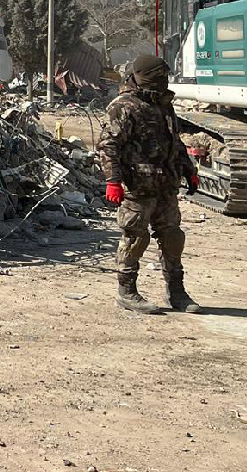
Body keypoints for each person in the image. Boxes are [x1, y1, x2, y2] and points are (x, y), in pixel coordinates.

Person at [97, 54, 201, 314]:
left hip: (166, 185)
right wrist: (113, 181)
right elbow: (108, 146)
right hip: (137, 188)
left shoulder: (163, 105)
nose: (164, 81)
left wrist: (189, 170)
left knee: (173, 238)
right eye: (159, 77)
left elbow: (174, 142)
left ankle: (177, 293)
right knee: (135, 238)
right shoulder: (123, 106)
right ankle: (127, 291)